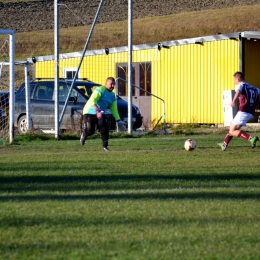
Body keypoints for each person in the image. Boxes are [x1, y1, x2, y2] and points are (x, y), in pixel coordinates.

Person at [80, 77, 125, 152]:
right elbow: (92, 100)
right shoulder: (100, 90)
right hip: (89, 111)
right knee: (90, 130)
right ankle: (84, 135)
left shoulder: (113, 96)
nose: (112, 86)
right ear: (106, 84)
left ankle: (105, 147)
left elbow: (114, 109)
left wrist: (118, 120)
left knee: (104, 128)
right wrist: (97, 111)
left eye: (114, 84)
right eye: (111, 84)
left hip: (100, 113)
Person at [218, 71, 260, 151]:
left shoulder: (240, 85)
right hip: (251, 112)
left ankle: (251, 138)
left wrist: (233, 101)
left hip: (244, 110)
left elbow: (238, 92)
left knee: (232, 130)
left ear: (238, 79)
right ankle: (224, 145)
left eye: (234, 80)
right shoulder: (252, 87)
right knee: (233, 127)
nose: (234, 82)